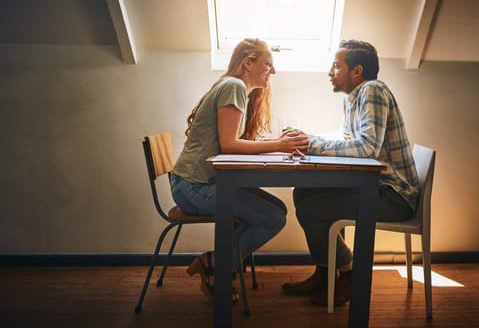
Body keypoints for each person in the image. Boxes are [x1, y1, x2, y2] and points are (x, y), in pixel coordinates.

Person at [282, 40, 419, 306]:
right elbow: (348, 140)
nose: (330, 72)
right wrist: (309, 137)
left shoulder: (373, 90)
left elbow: (367, 148)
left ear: (356, 70)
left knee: (313, 209)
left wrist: (312, 144)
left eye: (336, 66)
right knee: (304, 192)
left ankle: (349, 275)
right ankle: (325, 274)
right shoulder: (352, 100)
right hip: (375, 187)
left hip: (394, 195)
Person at [170, 38, 309, 301]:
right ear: (248, 63)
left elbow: (230, 144)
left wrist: (276, 146)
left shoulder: (235, 88)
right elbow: (229, 144)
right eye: (268, 64)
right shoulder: (234, 86)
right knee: (273, 217)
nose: (274, 71)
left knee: (277, 211)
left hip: (197, 184)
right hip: (193, 188)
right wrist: (278, 145)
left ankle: (217, 264)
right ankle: (218, 264)